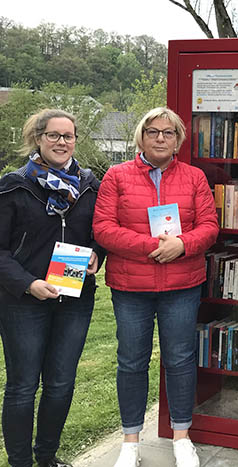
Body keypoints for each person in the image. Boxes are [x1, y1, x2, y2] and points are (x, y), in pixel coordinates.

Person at [93, 107, 219, 467]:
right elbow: (103, 228)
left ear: (178, 139)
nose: (160, 138)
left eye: (168, 132)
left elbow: (209, 226)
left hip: (182, 285)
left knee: (180, 359)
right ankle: (131, 441)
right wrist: (153, 247)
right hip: (131, 287)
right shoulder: (117, 176)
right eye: (153, 132)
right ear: (141, 137)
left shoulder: (194, 178)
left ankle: (182, 436)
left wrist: (183, 245)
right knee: (131, 361)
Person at [0, 109, 104, 467]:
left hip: (73, 298)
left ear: (76, 140)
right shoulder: (13, 185)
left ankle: (46, 458)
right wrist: (28, 283)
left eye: (68, 136)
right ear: (38, 138)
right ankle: (20, 462)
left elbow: (99, 233)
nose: (62, 142)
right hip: (22, 301)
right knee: (23, 386)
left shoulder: (90, 185)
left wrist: (98, 256)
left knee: (60, 384)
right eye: (54, 135)